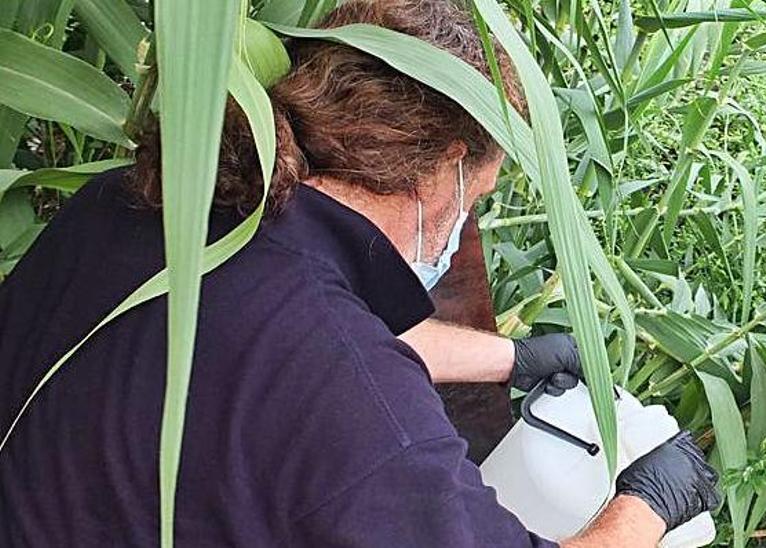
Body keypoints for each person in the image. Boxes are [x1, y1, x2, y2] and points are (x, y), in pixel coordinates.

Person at [0, 0, 720, 545]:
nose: (466, 220)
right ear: (444, 171)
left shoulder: (144, 204)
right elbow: (328, 374)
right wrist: (648, 505)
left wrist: (514, 358)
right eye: (480, 198)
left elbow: (274, 354)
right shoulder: (358, 404)